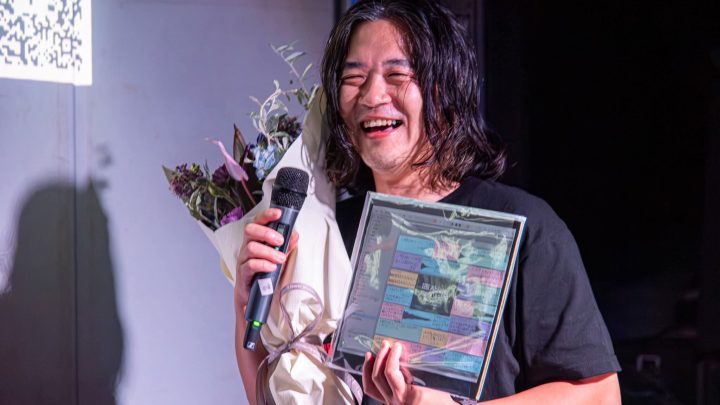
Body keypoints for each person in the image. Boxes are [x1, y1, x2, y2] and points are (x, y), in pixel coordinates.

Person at [235, 0, 621, 404]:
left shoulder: (526, 226)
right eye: (354, 78)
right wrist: (245, 307)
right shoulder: (327, 233)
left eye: (396, 74)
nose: (372, 94)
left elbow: (600, 395)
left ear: (443, 89)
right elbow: (274, 394)